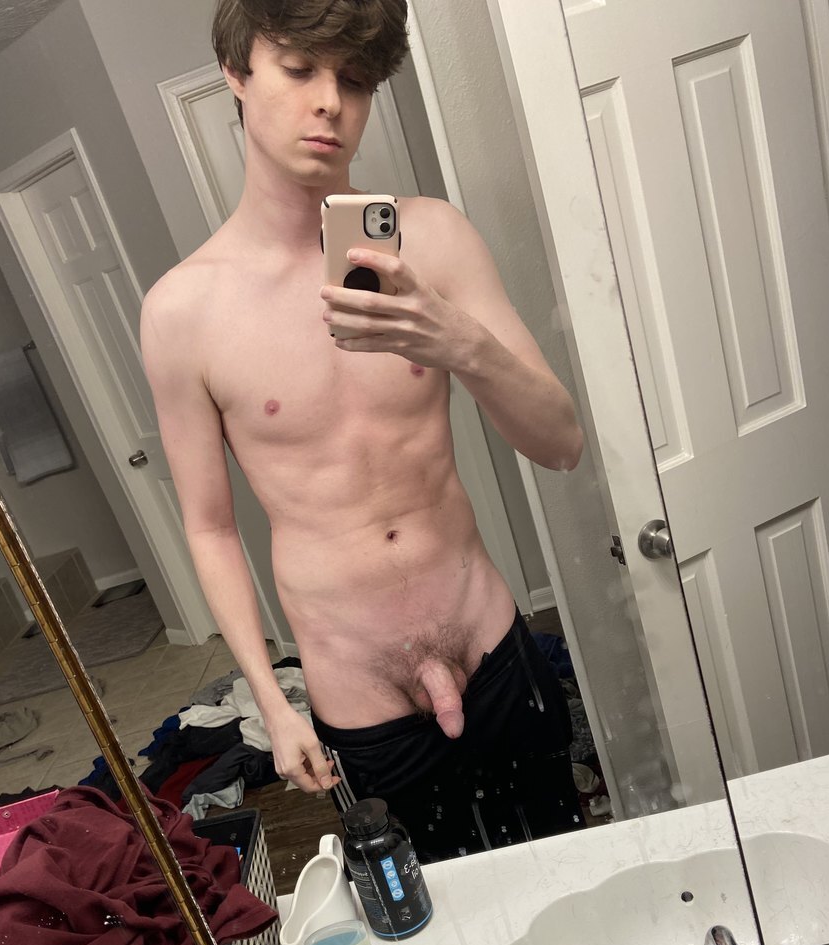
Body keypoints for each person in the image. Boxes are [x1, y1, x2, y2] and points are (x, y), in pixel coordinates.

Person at [140, 0, 585, 861]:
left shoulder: (433, 238)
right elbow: (210, 527)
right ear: (236, 73)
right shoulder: (182, 313)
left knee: (570, 870)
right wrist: (273, 703)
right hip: (356, 689)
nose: (329, 102)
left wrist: (458, 342)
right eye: (299, 69)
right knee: (432, 914)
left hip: (491, 643)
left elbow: (561, 445)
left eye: (353, 79)